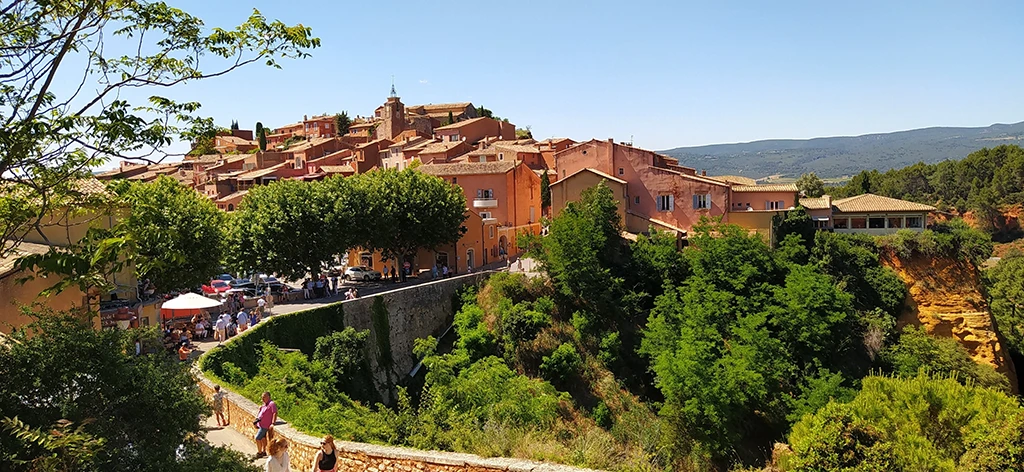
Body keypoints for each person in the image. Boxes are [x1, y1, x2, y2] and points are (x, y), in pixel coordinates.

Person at [255, 391, 278, 459]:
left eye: (264, 397)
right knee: (263, 438)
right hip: (261, 424)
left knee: (257, 438)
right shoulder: (264, 405)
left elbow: (275, 413)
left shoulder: (272, 404)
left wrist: (273, 423)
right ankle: (264, 451)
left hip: (265, 426)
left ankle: (259, 452)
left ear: (268, 397)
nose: (262, 398)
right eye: (262, 397)